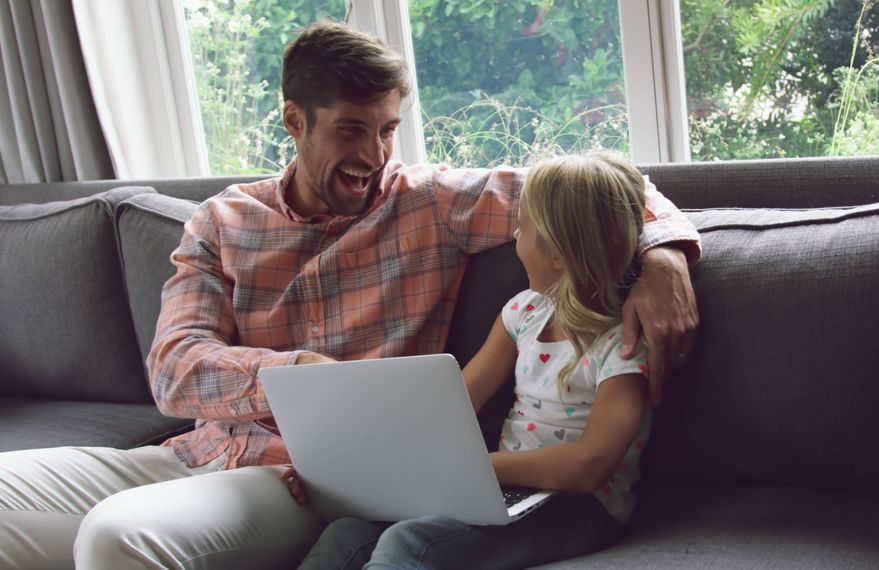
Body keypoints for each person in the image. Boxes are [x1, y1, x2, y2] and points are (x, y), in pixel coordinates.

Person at [0, 21, 699, 569]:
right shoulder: (222, 220)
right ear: (295, 121)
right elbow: (174, 367)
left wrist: (665, 257)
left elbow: (605, 193)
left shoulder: (431, 203)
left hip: (303, 479)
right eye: (352, 131)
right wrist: (296, 374)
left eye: (388, 129)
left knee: (117, 538)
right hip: (197, 450)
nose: (374, 155)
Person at [291, 151, 655, 569]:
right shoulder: (524, 314)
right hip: (503, 490)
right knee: (347, 532)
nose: (515, 236)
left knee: (411, 543)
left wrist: (479, 470)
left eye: (524, 227)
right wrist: (345, 468)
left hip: (580, 508)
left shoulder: (621, 345)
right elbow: (451, 408)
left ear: (557, 253)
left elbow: (590, 467)